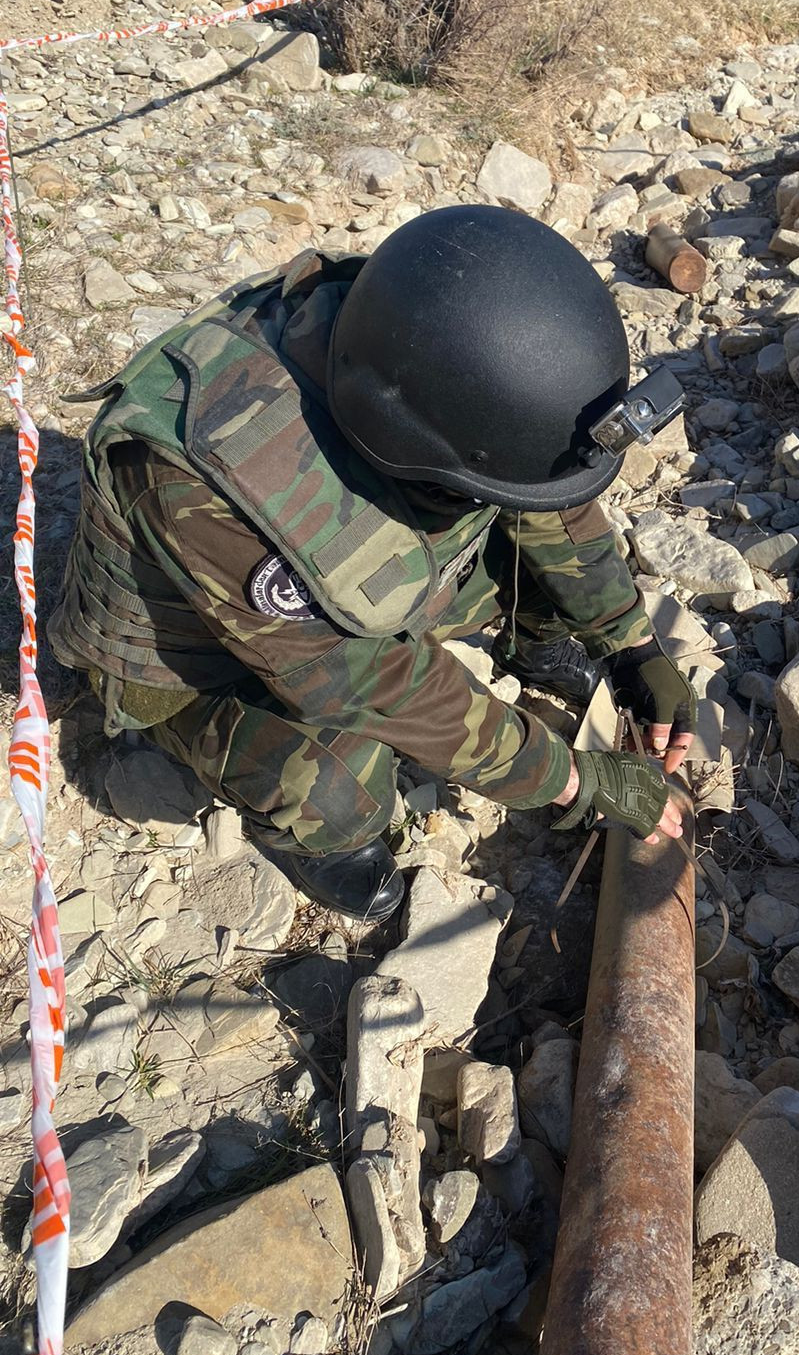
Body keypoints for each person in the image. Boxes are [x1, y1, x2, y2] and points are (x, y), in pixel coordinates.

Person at [49, 204, 696, 920]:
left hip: (348, 588)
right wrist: (568, 779)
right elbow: (366, 682)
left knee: (535, 558)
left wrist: (631, 645)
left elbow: (543, 497)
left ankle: (534, 647)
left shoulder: (407, 332)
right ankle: (307, 837)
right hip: (202, 658)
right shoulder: (212, 484)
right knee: (340, 791)